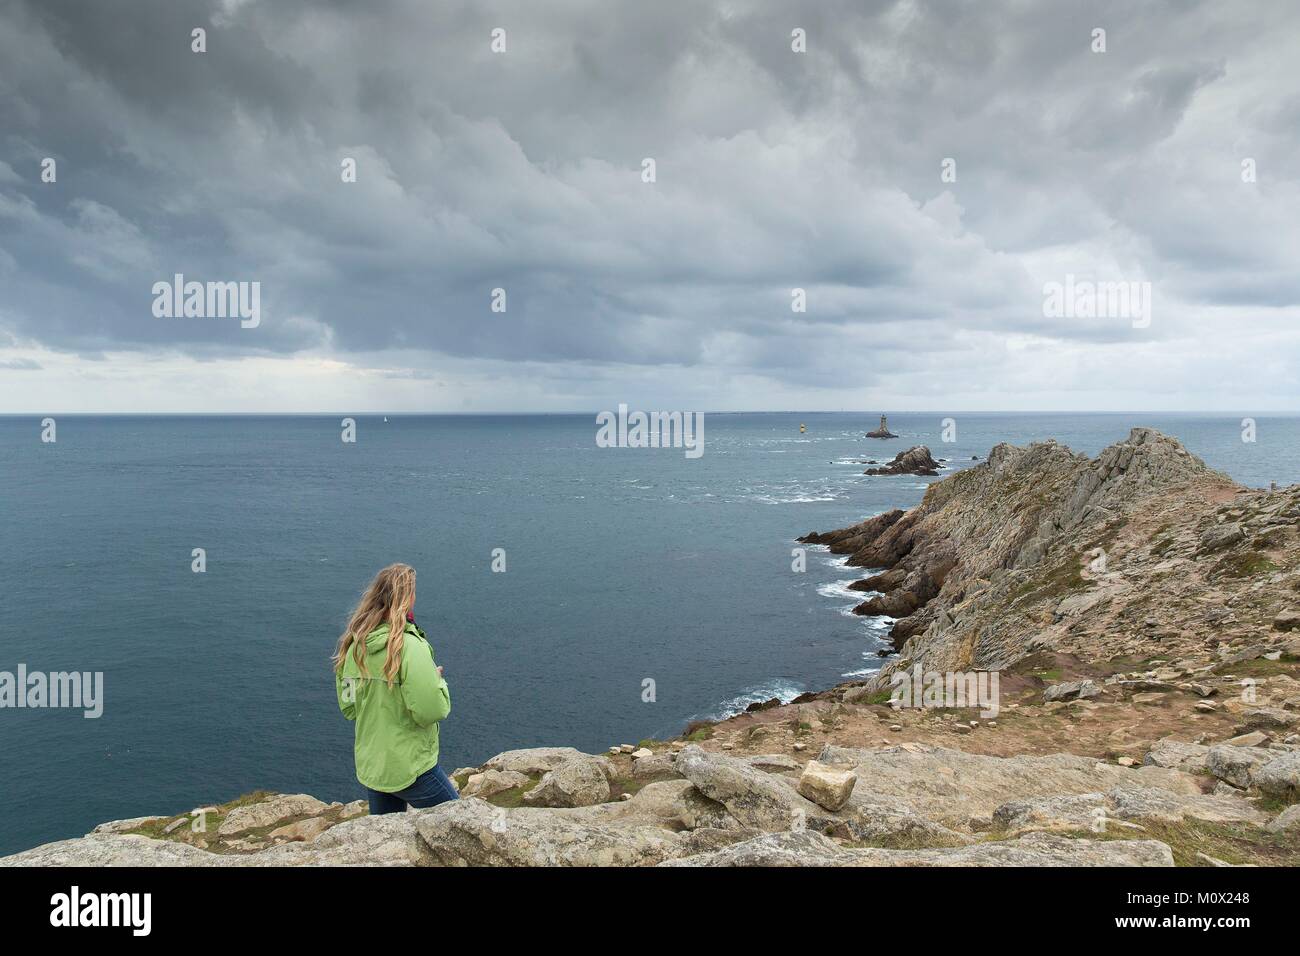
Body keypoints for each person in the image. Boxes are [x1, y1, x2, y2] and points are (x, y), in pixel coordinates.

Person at [333, 563, 457, 814]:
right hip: (411, 768)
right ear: (407, 598)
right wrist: (437, 682)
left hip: (375, 768)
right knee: (461, 825)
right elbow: (431, 710)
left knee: (387, 844)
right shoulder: (410, 647)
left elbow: (349, 706)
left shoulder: (354, 648)